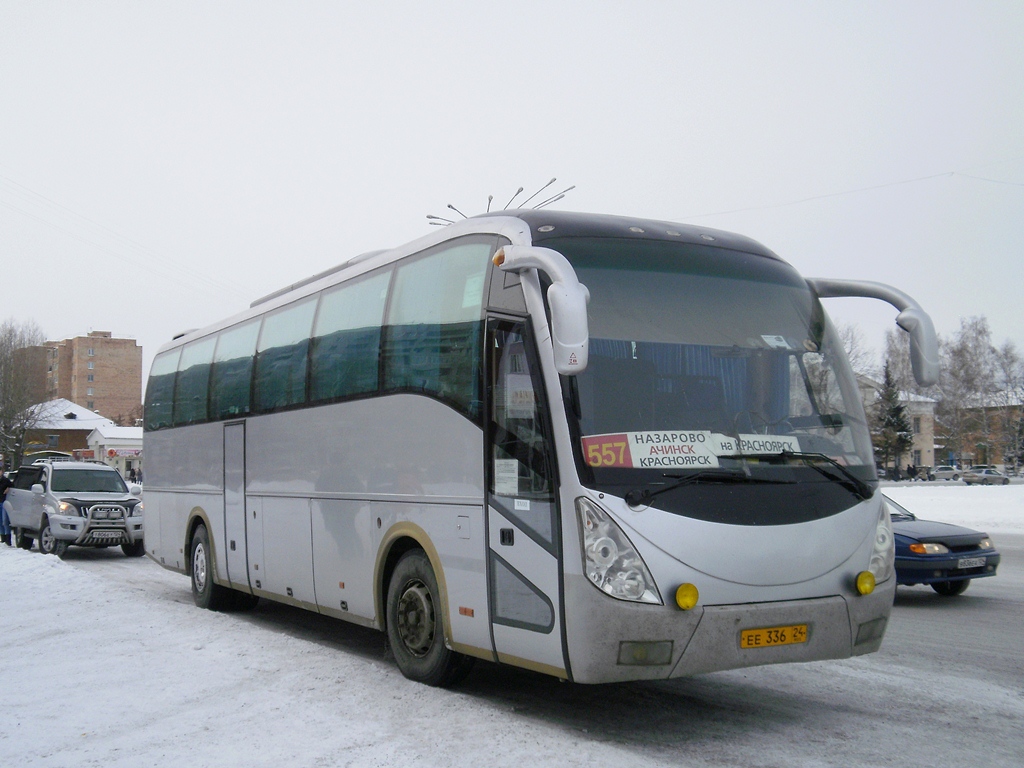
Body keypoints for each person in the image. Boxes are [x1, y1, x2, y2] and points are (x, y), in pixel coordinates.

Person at [1, 461, 13, 546]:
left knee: (5, 520)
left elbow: (13, 486)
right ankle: (3, 538)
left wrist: (9, 488)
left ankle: (8, 539)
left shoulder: (5, 480)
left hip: (4, 502)